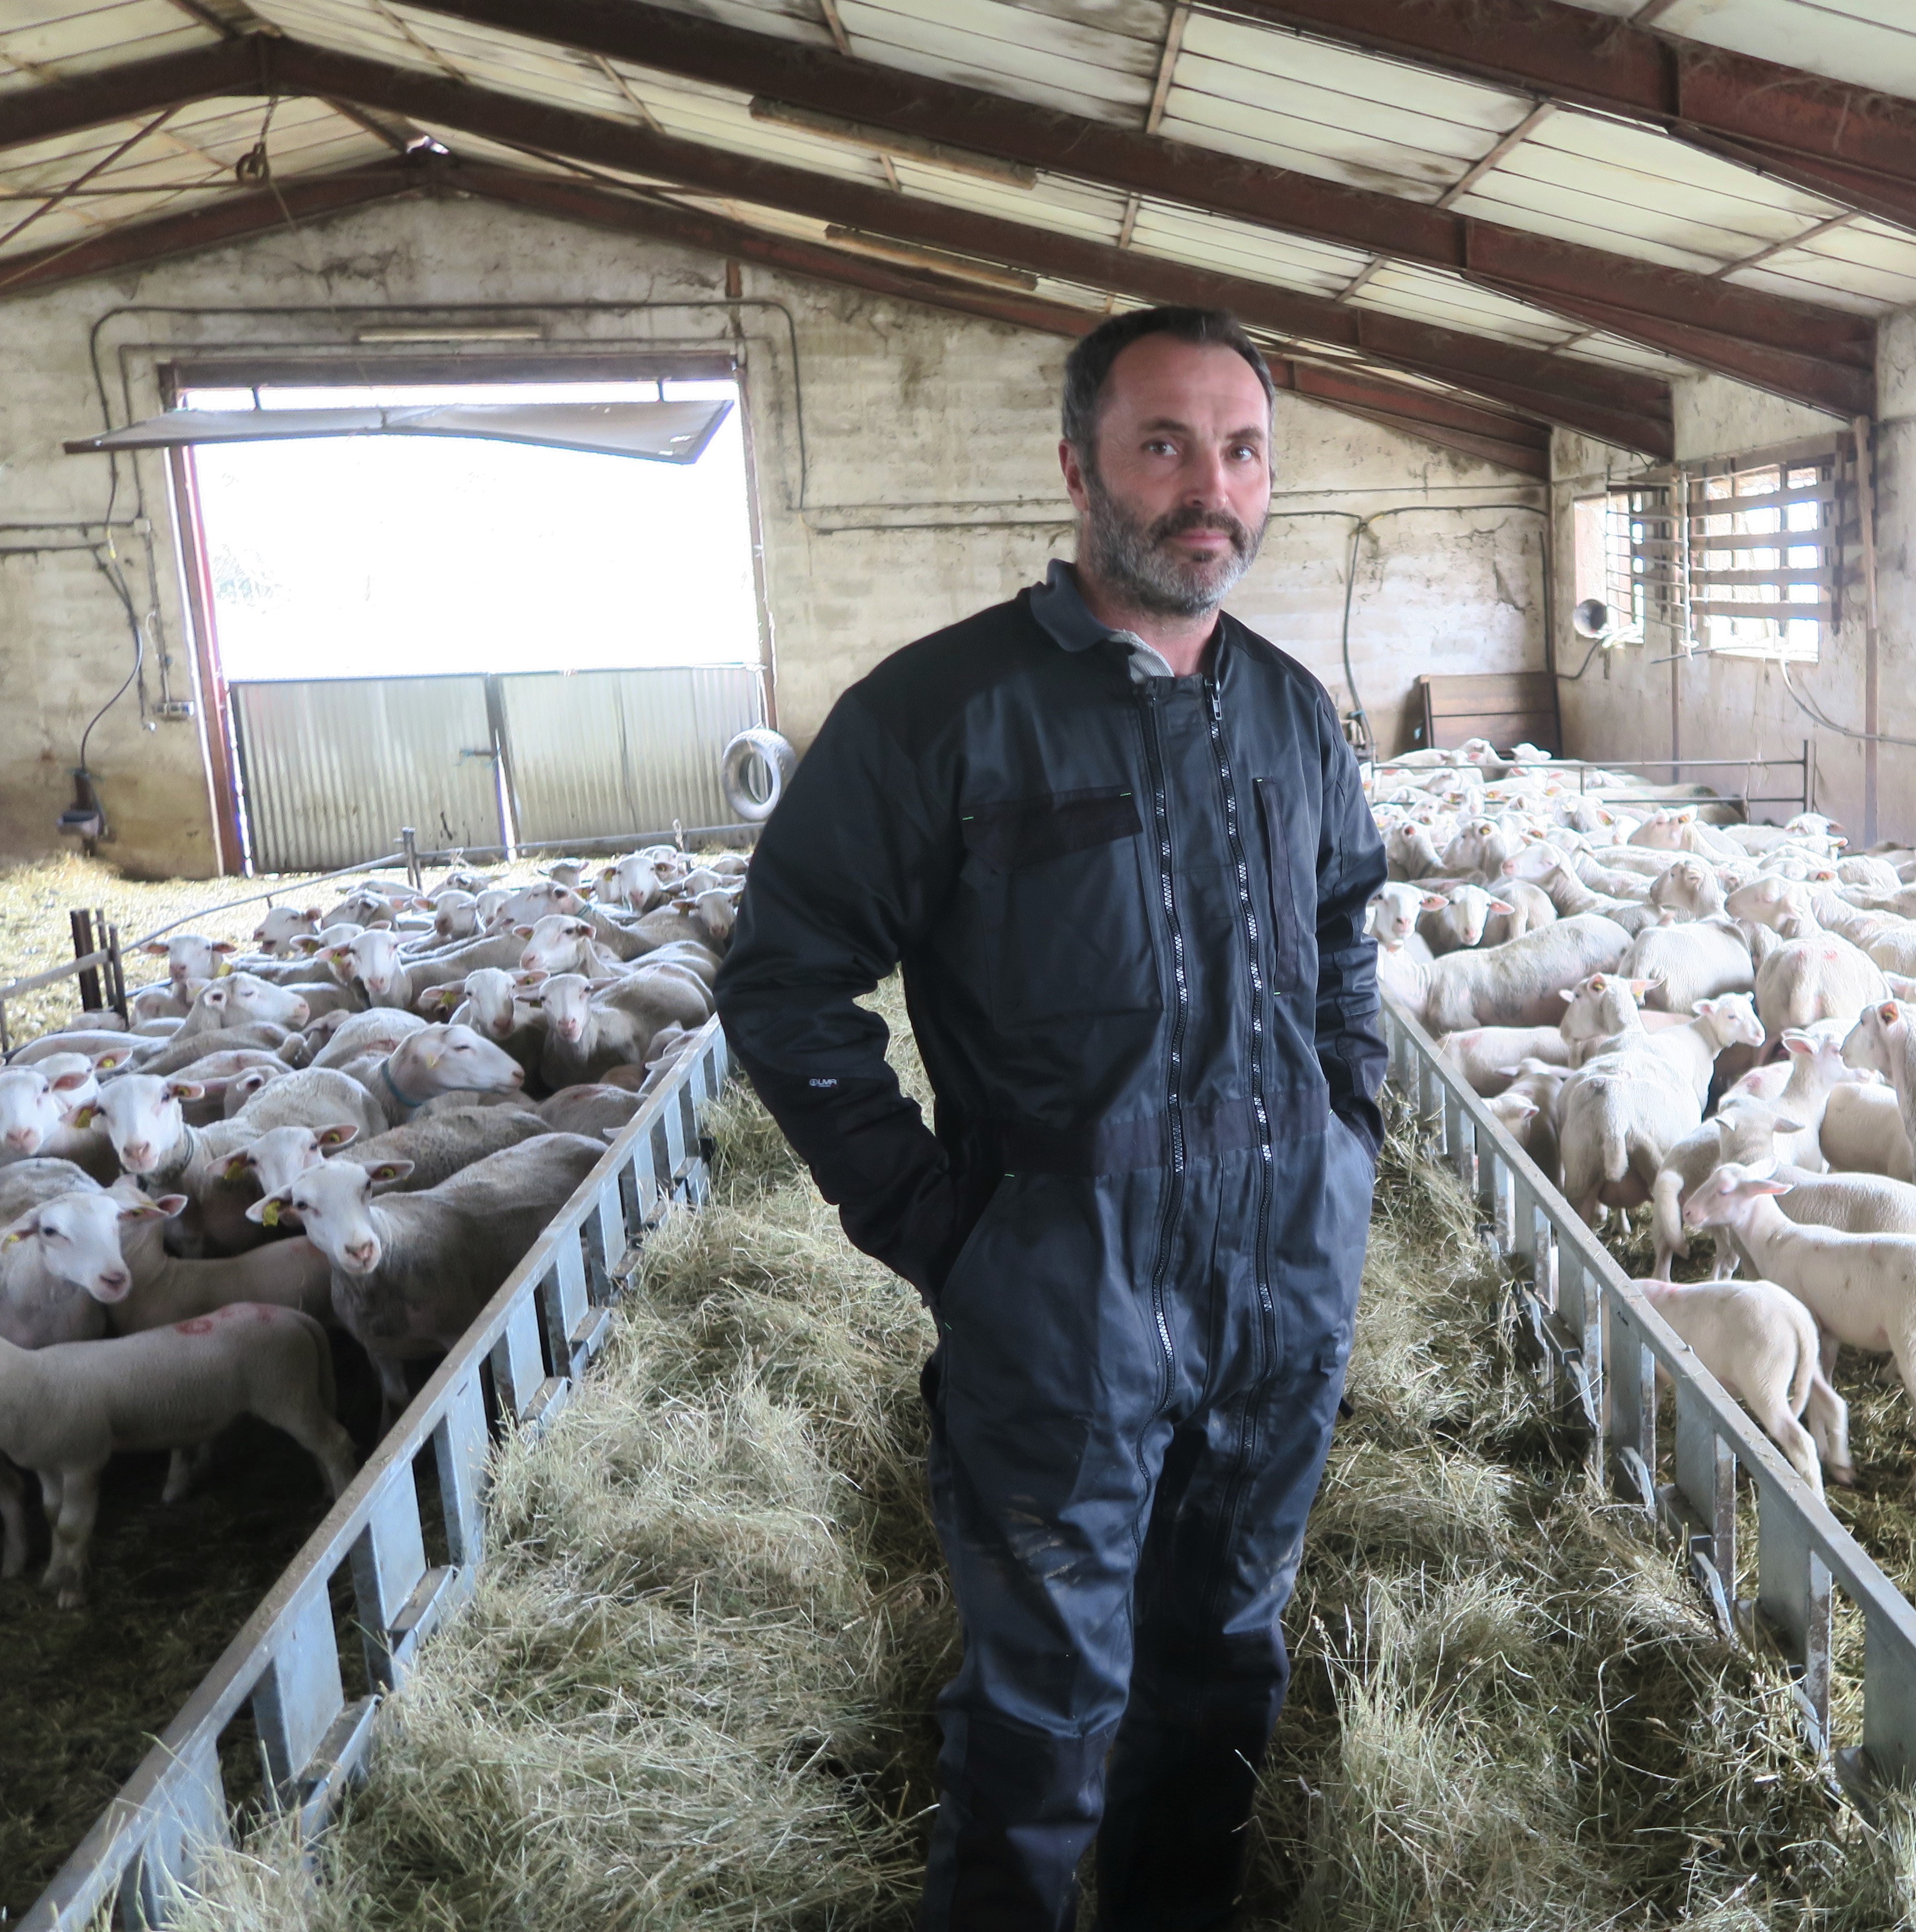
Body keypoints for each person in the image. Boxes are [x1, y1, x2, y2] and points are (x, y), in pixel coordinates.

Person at [713, 305, 1387, 1931]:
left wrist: (1344, 1148)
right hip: (1062, 1301)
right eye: (1164, 444)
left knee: (1224, 1670)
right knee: (1042, 1715)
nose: (1206, 488)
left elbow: (1351, 935)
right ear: (1077, 467)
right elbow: (784, 981)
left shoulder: (1293, 714)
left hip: (1279, 1297)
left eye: (1241, 451)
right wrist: (947, 1226)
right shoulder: (941, 714)